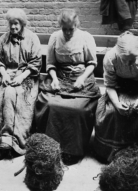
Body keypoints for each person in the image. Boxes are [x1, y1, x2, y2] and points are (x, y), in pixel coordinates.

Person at [34, 9, 101, 165]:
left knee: (78, 108)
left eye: (71, 29)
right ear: (60, 26)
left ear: (76, 25)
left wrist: (83, 78)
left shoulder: (86, 37)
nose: (68, 32)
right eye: (65, 29)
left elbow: (92, 63)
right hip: (60, 76)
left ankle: (73, 150)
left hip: (81, 77)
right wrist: (54, 78)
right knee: (50, 104)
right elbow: (50, 64)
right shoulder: (55, 37)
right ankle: (50, 147)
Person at [93, 31, 138, 164]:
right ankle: (115, 154)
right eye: (124, 60)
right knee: (112, 113)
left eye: (132, 60)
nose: (128, 64)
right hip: (121, 88)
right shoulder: (110, 57)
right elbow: (110, 85)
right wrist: (116, 103)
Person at [0, 8, 42, 160]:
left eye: (16, 24)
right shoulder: (3, 39)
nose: (13, 27)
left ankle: (15, 140)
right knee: (2, 97)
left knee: (14, 96)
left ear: (22, 24)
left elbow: (36, 62)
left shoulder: (32, 38)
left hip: (27, 78)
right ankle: (3, 141)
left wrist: (22, 76)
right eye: (11, 24)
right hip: (5, 77)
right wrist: (4, 73)